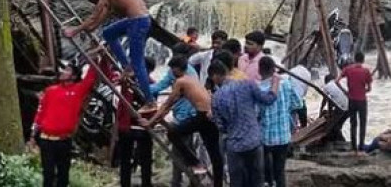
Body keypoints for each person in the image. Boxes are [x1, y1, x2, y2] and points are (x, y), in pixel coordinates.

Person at [64, 0, 156, 111]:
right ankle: (126, 66)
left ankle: (150, 102)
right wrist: (92, 27)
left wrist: (75, 30)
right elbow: (106, 12)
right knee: (109, 33)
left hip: (137, 22)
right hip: (140, 19)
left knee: (137, 63)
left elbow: (95, 14)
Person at [143, 56, 224, 187]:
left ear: (177, 69)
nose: (171, 72)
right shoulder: (193, 78)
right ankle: (218, 183)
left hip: (202, 116)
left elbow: (167, 104)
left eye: (172, 69)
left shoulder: (181, 81)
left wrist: (150, 122)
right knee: (214, 153)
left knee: (173, 133)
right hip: (210, 115)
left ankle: (194, 162)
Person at [210, 58, 280, 187]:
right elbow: (268, 100)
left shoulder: (216, 97)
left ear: (215, 76)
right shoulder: (248, 84)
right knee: (257, 181)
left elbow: (220, 126)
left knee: (237, 182)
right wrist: (275, 83)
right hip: (254, 141)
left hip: (234, 145)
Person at [30, 60, 99, 187]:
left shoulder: (78, 90)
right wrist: (33, 136)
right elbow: (40, 113)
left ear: (74, 76)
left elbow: (90, 77)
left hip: (63, 140)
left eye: (67, 70)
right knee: (48, 174)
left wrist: (96, 58)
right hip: (46, 140)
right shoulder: (50, 91)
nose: (63, 72)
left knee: (63, 175)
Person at [258, 56, 302, 187]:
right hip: (283, 135)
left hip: (265, 137)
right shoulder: (286, 84)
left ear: (260, 70)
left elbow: (256, 113)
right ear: (274, 69)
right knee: (280, 171)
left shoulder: (259, 89)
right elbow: (297, 104)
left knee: (266, 172)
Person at [117, 73, 154, 187]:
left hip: (139, 127)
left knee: (133, 160)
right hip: (134, 127)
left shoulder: (147, 84)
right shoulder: (128, 81)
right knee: (140, 160)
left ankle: (141, 183)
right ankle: (142, 183)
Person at [337, 51, 373, 153]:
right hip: (362, 100)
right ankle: (361, 146)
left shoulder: (348, 69)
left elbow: (337, 81)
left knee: (353, 123)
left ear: (354, 59)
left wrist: (345, 92)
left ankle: (353, 146)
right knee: (363, 123)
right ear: (363, 60)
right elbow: (369, 88)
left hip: (351, 99)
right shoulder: (366, 71)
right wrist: (363, 90)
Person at [288, 63, 311, 128]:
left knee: (292, 116)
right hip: (300, 97)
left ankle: (294, 129)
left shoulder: (292, 70)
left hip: (291, 96)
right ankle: (304, 127)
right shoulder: (307, 73)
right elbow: (306, 89)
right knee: (302, 111)